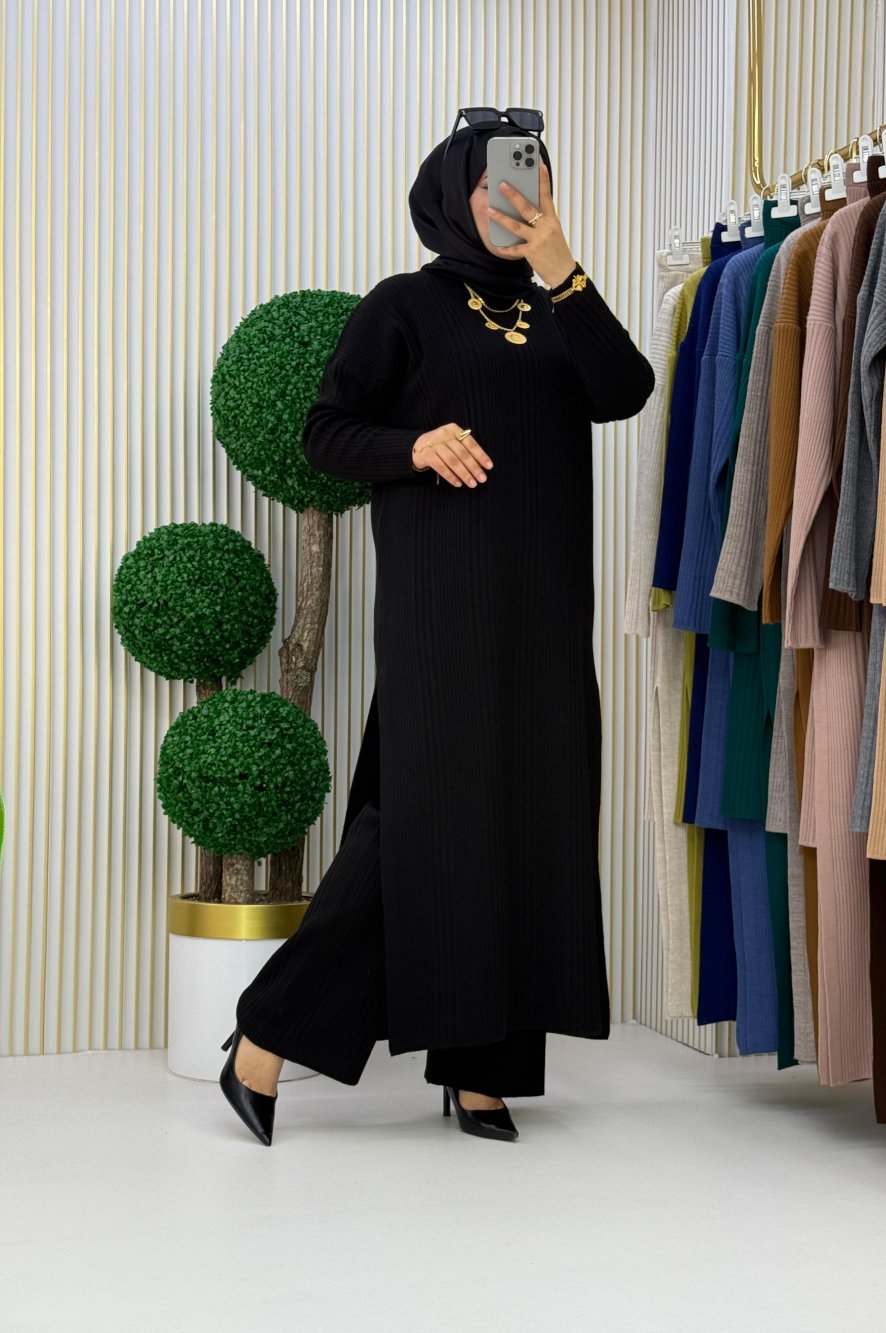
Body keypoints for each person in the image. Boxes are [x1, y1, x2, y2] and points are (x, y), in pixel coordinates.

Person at [219, 115, 655, 1146]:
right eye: (496, 179)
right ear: (456, 192)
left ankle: (481, 1070)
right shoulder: (402, 306)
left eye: (531, 178)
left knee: (528, 824)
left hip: (546, 617)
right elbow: (326, 433)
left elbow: (625, 391)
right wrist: (414, 446)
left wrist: (564, 270)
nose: (515, 195)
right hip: (442, 616)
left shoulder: (558, 307)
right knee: (421, 830)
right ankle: (264, 1035)